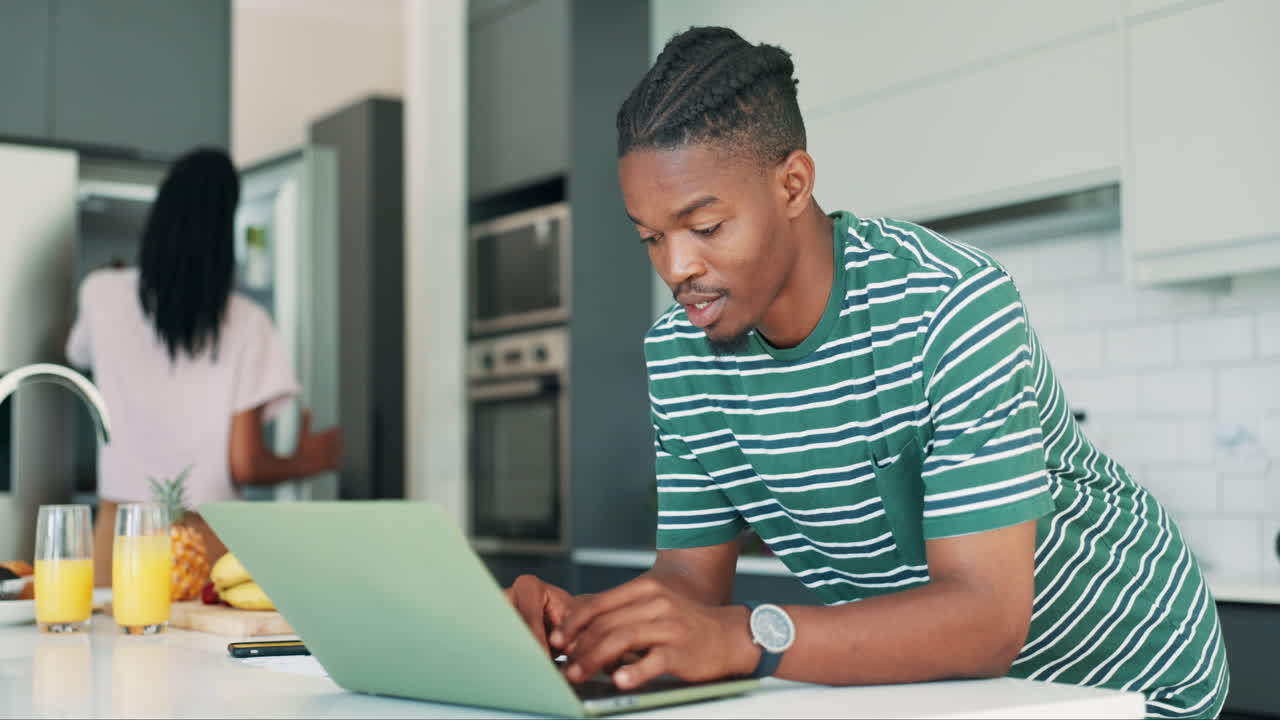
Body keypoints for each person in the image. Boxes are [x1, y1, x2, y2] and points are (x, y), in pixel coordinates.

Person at [506, 26, 1227, 719]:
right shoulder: (680, 354)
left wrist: (744, 635)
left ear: (792, 186)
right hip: (951, 689)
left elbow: (985, 615)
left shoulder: (950, 307)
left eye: (706, 226)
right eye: (651, 237)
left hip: (1129, 676)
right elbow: (690, 583)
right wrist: (587, 626)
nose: (677, 267)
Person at [66, 148, 340, 586]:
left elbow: (77, 356)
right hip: (206, 541)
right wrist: (309, 461)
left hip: (119, 537)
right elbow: (246, 464)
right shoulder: (249, 323)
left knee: (104, 651)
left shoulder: (100, 292)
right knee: (205, 654)